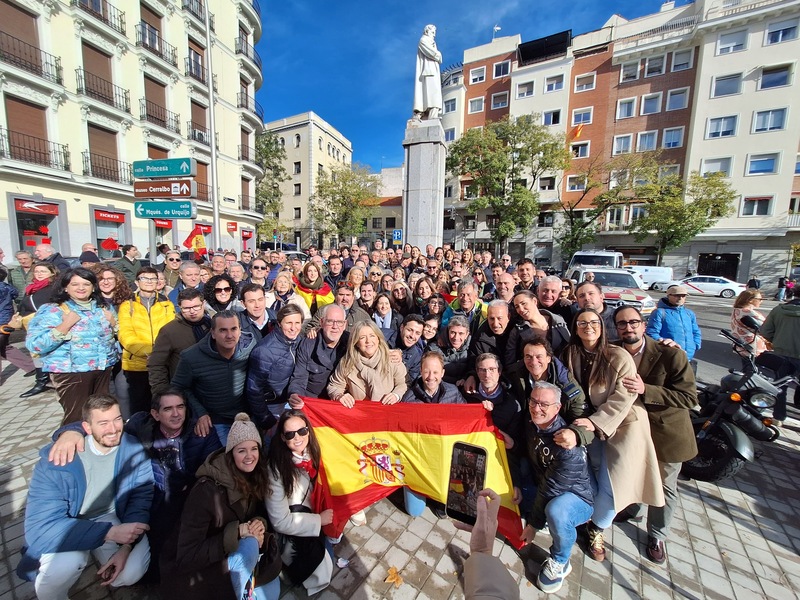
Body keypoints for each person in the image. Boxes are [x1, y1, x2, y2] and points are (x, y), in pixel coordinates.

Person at [46, 389, 222, 582]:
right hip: (153, 498)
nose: (176, 414)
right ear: (155, 414)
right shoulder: (140, 426)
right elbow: (107, 429)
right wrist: (70, 432)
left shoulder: (200, 431)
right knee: (153, 549)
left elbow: (214, 466)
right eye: (168, 409)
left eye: (180, 407)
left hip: (188, 496)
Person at [17, 395, 153, 597]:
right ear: (87, 428)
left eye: (117, 419)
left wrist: (126, 546)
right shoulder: (58, 460)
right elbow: (39, 529)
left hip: (109, 515)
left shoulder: (132, 448)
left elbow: (141, 496)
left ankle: (98, 550)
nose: (113, 429)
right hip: (71, 521)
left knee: (130, 574)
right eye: (103, 423)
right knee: (66, 565)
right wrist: (108, 534)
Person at [562, 308, 664, 562]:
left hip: (622, 425)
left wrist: (594, 421)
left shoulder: (616, 355)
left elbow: (625, 396)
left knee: (613, 486)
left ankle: (597, 529)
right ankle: (587, 517)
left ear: (602, 326)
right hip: (589, 426)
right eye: (582, 322)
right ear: (575, 328)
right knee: (591, 474)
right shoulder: (571, 353)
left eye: (594, 322)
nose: (588, 327)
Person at [159, 413, 281, 600]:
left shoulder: (255, 475)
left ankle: (245, 585)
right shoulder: (205, 491)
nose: (249, 456)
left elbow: (255, 512)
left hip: (231, 553)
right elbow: (187, 557)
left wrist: (258, 523)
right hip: (199, 569)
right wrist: (237, 532)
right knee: (249, 547)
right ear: (231, 453)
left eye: (254, 449)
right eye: (241, 451)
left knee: (273, 591)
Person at [612, 306, 697, 564]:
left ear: (644, 325)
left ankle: (658, 534)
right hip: (631, 431)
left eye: (633, 322)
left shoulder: (670, 354)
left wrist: (645, 389)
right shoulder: (613, 351)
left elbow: (689, 397)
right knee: (635, 473)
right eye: (622, 324)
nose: (628, 328)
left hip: (665, 433)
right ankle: (633, 506)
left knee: (665, 486)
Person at [519, 381, 594, 594]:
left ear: (557, 408)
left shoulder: (567, 448)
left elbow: (550, 489)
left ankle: (561, 560)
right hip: (544, 484)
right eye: (533, 401)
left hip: (575, 497)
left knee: (556, 511)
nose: (536, 408)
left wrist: (533, 525)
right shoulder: (531, 421)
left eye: (544, 404)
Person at [26, 268, 119, 424]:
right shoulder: (53, 309)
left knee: (102, 417)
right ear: (65, 287)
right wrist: (64, 326)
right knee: (76, 418)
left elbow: (116, 335)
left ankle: (98, 446)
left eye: (86, 284)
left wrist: (114, 324)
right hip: (71, 373)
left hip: (102, 370)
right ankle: (71, 446)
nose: (81, 288)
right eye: (75, 284)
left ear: (94, 287)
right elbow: (35, 345)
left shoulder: (102, 307)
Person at [266, 410, 333, 595]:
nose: (297, 438)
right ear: (282, 437)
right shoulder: (276, 469)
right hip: (295, 530)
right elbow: (279, 521)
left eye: (302, 431)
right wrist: (319, 520)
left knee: (329, 554)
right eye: (290, 434)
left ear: (308, 431)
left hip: (315, 516)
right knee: (321, 569)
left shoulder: (315, 451)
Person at [171, 310, 256, 445]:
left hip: (246, 417)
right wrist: (200, 413)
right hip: (214, 419)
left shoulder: (251, 347)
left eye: (233, 329)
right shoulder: (191, 357)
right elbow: (179, 387)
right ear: (213, 333)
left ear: (240, 330)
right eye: (223, 330)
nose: (229, 335)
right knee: (222, 459)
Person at [117, 267, 176, 418]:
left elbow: (170, 331)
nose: (149, 282)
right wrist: (148, 352)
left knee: (161, 404)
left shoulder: (166, 304)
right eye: (145, 278)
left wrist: (158, 355)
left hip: (162, 363)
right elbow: (125, 334)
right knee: (139, 406)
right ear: (137, 282)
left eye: (153, 279)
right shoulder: (127, 305)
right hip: (137, 364)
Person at [247, 304, 304, 430]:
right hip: (272, 406)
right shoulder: (264, 351)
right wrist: (266, 419)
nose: (293, 328)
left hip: (292, 401)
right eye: (288, 323)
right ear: (279, 323)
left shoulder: (299, 341)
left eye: (297, 323)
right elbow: (254, 389)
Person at [327, 320, 407, 407]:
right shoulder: (347, 363)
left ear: (378, 339)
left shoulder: (392, 358)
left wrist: (396, 395)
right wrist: (339, 396)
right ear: (356, 342)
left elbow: (403, 384)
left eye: (372, 336)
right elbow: (334, 386)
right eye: (362, 337)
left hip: (388, 411)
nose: (368, 341)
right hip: (360, 414)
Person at [148, 288, 210, 394]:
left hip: (212, 388)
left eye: (196, 306)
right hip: (183, 390)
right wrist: (162, 393)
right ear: (179, 307)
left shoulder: (213, 325)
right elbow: (156, 364)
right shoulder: (169, 331)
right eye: (186, 308)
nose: (192, 311)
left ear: (203, 304)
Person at [288, 304, 350, 403]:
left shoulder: (351, 343)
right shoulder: (308, 344)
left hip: (342, 402)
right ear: (321, 322)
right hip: (314, 402)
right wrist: (295, 395)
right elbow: (299, 378)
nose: (335, 326)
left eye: (339, 322)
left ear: (345, 324)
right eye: (330, 321)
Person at [760, 295, 800, 423]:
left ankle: (778, 417)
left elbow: (765, 331)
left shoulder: (779, 310)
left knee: (780, 386)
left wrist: (777, 341)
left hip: (781, 353)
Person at [504, 290, 569, 365]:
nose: (521, 309)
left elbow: (570, 347)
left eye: (523, 303)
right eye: (517, 307)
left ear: (535, 301)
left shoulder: (558, 320)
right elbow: (510, 359)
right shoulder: (517, 330)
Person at [645, 285, 702, 362]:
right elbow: (652, 333)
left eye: (683, 296)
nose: (680, 298)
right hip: (668, 357)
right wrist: (666, 344)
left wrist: (696, 345)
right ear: (669, 296)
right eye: (677, 295)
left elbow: (696, 332)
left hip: (688, 357)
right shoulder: (660, 312)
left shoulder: (689, 314)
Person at [730, 289, 768, 363]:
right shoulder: (749, 312)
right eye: (760, 299)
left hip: (741, 344)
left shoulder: (736, 310)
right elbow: (767, 328)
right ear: (750, 300)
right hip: (753, 346)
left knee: (747, 368)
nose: (761, 301)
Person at [386, 314, 425, 382]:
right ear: (402, 328)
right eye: (410, 330)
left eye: (417, 333)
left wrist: (401, 363)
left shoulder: (417, 357)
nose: (412, 336)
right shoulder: (382, 337)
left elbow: (409, 382)